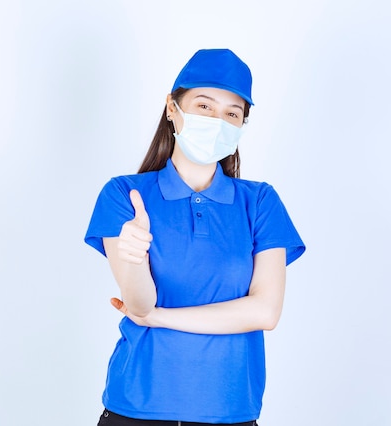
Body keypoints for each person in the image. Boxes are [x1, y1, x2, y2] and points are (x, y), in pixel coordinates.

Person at [84, 49, 305, 426]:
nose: (217, 121)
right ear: (172, 108)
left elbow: (265, 312)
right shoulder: (125, 195)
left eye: (232, 113)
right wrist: (135, 259)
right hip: (137, 408)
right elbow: (139, 304)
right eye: (204, 105)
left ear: (241, 126)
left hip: (230, 411)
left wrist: (160, 318)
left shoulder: (260, 201)